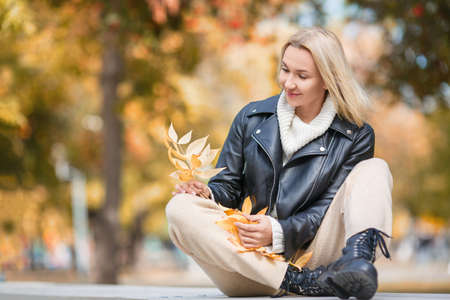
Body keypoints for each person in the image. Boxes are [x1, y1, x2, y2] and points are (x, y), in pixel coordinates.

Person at [166, 27, 392, 299]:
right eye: (285, 70)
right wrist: (207, 193)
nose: (288, 83)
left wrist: (278, 231)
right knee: (179, 208)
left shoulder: (355, 135)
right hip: (251, 265)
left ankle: (357, 262)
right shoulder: (250, 118)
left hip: (319, 258)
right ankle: (298, 281)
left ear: (328, 81)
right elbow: (227, 187)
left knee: (375, 169)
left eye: (302, 76)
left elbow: (326, 207)